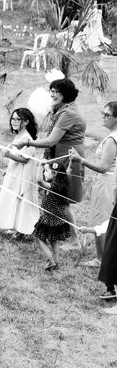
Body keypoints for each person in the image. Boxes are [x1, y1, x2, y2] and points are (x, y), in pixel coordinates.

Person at [15, 78, 86, 248]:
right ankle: (50, 233)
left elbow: (50, 141)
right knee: (58, 198)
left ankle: (75, 240)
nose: (53, 94)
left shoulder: (68, 113)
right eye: (51, 91)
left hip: (65, 158)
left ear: (66, 94)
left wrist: (27, 142)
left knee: (63, 199)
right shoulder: (64, 109)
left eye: (57, 91)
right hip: (61, 156)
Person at [69, 101, 117, 266]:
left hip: (106, 183)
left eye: (107, 115)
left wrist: (80, 160)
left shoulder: (112, 139)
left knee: (101, 221)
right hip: (110, 181)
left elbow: (104, 167)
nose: (103, 117)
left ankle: (101, 260)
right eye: (102, 113)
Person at [0, 108, 40, 238]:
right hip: (16, 172)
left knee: (22, 200)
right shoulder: (19, 135)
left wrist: (8, 155)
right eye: (13, 119)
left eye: (18, 119)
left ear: (26, 121)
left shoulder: (27, 138)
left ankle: (23, 230)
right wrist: (8, 170)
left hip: (24, 174)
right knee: (13, 199)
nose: (14, 121)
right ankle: (15, 226)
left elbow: (25, 159)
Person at [34, 162, 71, 271]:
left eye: (46, 171)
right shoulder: (61, 185)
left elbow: (39, 181)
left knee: (39, 238)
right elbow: (68, 172)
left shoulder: (53, 187)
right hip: (58, 220)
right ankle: (56, 262)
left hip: (49, 220)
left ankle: (51, 260)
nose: (44, 173)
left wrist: (40, 166)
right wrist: (71, 161)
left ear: (54, 173)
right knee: (54, 241)